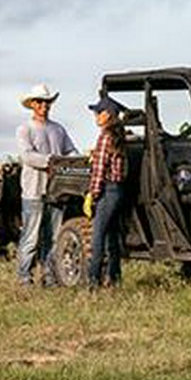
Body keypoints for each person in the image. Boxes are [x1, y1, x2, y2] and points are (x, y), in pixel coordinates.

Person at [16, 83, 77, 286]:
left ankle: (49, 276)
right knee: (31, 238)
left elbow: (71, 151)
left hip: (57, 190)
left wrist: (78, 161)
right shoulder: (25, 129)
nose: (44, 105)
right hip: (34, 189)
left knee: (53, 238)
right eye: (40, 101)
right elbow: (27, 156)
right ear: (32, 104)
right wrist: (52, 161)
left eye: (47, 101)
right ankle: (25, 277)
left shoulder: (58, 129)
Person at [86, 95, 127, 288]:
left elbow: (100, 169)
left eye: (98, 112)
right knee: (112, 236)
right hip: (119, 191)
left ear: (108, 115)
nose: (95, 116)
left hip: (107, 191)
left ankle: (93, 280)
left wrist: (93, 194)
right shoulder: (119, 136)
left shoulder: (105, 137)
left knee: (97, 237)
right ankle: (114, 278)